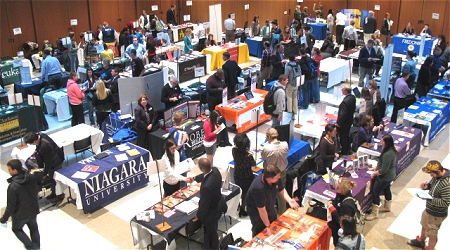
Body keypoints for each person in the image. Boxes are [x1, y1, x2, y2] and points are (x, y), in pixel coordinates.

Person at [407, 160, 450, 250]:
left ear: (438, 171)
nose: (431, 175)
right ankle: (420, 242)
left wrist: (429, 199)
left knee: (432, 233)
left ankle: (430, 248)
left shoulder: (447, 184)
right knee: (424, 224)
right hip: (429, 209)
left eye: (432, 174)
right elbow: (432, 184)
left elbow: (445, 202)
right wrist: (426, 186)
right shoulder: (437, 176)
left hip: (437, 214)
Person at [246, 165, 300, 237]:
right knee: (261, 231)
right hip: (257, 214)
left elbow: (281, 189)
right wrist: (267, 226)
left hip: (270, 207)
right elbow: (262, 210)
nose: (279, 178)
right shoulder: (258, 188)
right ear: (269, 179)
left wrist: (289, 200)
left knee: (274, 225)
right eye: (277, 177)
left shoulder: (276, 179)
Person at [0, 159, 40, 250]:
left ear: (15, 170)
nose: (8, 171)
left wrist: (4, 219)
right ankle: (37, 247)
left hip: (20, 214)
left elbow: (11, 206)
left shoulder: (13, 186)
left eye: (9, 169)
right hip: (33, 209)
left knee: (17, 229)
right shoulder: (31, 177)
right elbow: (36, 190)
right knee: (34, 228)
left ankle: (33, 248)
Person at [23, 132, 65, 202]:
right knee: (52, 178)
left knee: (55, 179)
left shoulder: (45, 146)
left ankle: (60, 195)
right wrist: (36, 150)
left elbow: (48, 161)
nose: (32, 145)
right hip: (53, 158)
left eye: (32, 143)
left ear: (35, 141)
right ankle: (54, 192)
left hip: (55, 161)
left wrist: (45, 173)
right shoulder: (41, 135)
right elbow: (38, 145)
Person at [191, 158, 222, 250]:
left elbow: (204, 204)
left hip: (210, 212)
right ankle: (207, 245)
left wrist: (198, 216)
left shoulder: (206, 187)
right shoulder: (215, 171)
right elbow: (205, 175)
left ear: (201, 168)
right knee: (211, 230)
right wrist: (195, 178)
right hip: (218, 203)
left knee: (211, 232)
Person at [365, 134, 397, 221]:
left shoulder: (388, 154)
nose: (380, 142)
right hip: (390, 175)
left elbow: (383, 170)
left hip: (385, 177)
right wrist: (374, 168)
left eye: (382, 141)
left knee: (376, 192)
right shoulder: (391, 150)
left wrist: (374, 173)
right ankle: (387, 206)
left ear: (386, 143)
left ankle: (374, 213)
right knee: (387, 189)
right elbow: (382, 164)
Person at [261, 128, 289, 214]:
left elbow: (263, 157)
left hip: (270, 175)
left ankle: (270, 211)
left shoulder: (266, 148)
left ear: (269, 136)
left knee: (269, 194)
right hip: (282, 172)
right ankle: (282, 212)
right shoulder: (285, 144)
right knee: (282, 193)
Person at [326, 178, 358, 246]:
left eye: (338, 187)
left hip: (341, 230)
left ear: (343, 190)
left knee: (338, 244)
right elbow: (337, 201)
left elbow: (341, 221)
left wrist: (332, 209)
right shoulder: (340, 194)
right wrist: (331, 201)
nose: (335, 188)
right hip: (334, 225)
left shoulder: (347, 205)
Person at [232, 133, 256, 217]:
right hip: (247, 176)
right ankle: (243, 208)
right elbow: (253, 164)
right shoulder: (248, 156)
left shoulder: (234, 150)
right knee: (245, 193)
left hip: (237, 174)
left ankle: (237, 205)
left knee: (238, 190)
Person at [337, 84, 356, 155]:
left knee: (343, 137)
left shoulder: (345, 102)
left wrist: (339, 123)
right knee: (347, 135)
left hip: (344, 123)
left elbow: (343, 114)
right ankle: (347, 148)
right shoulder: (352, 97)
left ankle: (344, 151)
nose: (341, 91)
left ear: (346, 91)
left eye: (342, 90)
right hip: (349, 120)